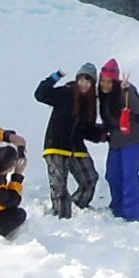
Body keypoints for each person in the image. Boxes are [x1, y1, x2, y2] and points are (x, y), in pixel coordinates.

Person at [32, 66, 103, 217]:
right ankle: (61, 217)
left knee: (90, 179)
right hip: (56, 145)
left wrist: (103, 134)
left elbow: (86, 130)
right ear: (77, 79)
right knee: (59, 186)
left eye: (88, 81)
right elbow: (40, 94)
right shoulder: (66, 93)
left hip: (76, 148)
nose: (84, 83)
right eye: (82, 79)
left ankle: (76, 206)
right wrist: (55, 76)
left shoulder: (89, 103)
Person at [101, 59, 139, 223]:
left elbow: (137, 109)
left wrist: (128, 90)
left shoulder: (126, 91)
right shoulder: (105, 98)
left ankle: (135, 212)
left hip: (134, 139)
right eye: (103, 80)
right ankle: (118, 207)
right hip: (118, 140)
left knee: (129, 175)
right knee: (112, 174)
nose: (106, 84)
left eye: (109, 81)